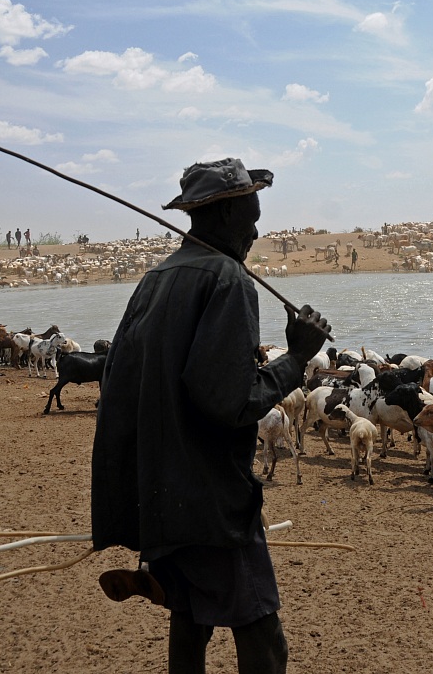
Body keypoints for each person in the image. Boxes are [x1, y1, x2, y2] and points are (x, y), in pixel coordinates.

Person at [92, 158, 331, 674]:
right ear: (224, 216)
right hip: (210, 503)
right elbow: (231, 402)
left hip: (159, 491)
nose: (256, 229)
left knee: (190, 616)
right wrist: (296, 356)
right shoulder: (227, 280)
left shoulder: (158, 277)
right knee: (265, 639)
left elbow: (125, 385)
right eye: (251, 215)